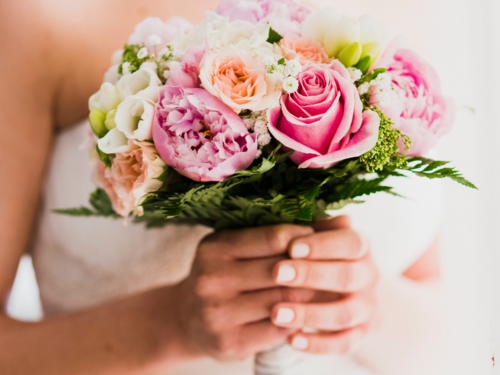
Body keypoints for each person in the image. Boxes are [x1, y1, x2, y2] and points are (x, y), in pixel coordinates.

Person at [0, 0, 447, 374]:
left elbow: (443, 323)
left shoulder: (400, 11)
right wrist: (170, 324)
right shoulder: (42, 18)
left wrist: (363, 306)